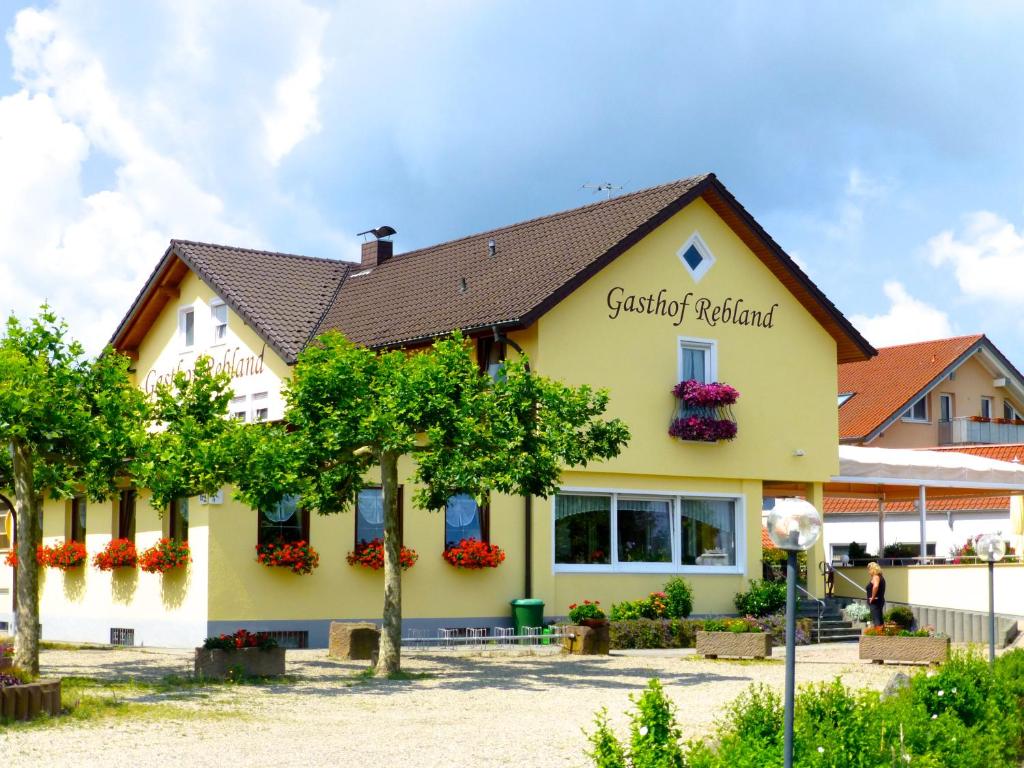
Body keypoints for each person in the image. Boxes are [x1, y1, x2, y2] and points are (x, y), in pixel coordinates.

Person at [865, 561, 886, 626]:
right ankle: (882, 634)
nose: (868, 572)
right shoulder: (880, 577)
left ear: (872, 569)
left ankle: (878, 635)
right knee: (879, 619)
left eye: (869, 569)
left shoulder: (876, 577)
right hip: (879, 600)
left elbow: (876, 586)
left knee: (876, 620)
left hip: (875, 602)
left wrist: (873, 597)